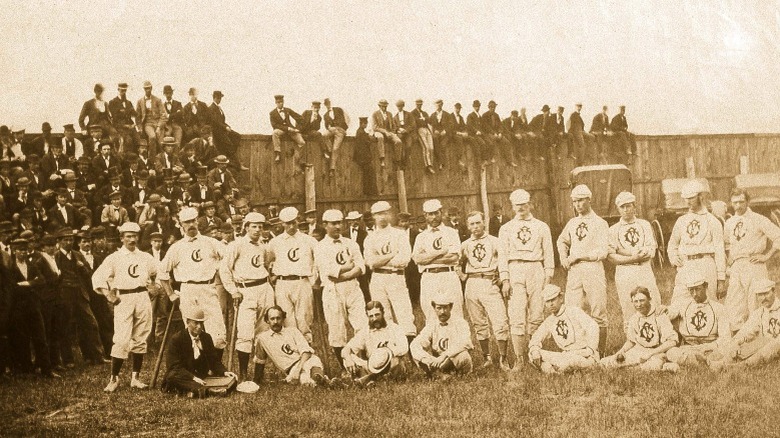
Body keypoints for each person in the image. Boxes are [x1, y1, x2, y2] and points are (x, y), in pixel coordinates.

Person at [92, 222, 158, 392]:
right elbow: (98, 278)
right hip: (124, 298)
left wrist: (154, 286)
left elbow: (157, 273)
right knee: (121, 339)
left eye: (135, 236)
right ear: (121, 238)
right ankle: (114, 378)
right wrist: (108, 294)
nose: (132, 239)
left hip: (142, 297)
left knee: (141, 337)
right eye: (128, 236)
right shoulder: (114, 258)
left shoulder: (145, 257)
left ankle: (135, 377)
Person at [497, 189, 554, 370]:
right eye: (517, 204)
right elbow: (502, 256)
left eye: (524, 203)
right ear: (512, 206)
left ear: (530, 204)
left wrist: (548, 278)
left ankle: (534, 355)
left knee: (536, 315)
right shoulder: (506, 228)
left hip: (536, 268)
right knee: (516, 315)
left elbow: (549, 254)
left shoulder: (541, 226)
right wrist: (505, 279)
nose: (521, 207)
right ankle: (520, 358)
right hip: (515, 269)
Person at [159, 207, 227, 358]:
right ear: (181, 225)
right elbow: (162, 272)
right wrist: (170, 294)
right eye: (186, 222)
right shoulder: (177, 247)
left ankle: (215, 368)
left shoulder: (211, 242)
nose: (191, 225)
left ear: (197, 221)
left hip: (209, 289)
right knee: (193, 334)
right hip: (188, 291)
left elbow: (229, 258)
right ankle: (198, 368)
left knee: (218, 334)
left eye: (193, 221)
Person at [219, 212, 274, 382]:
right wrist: (233, 290)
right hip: (246, 291)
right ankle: (243, 374)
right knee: (245, 333)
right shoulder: (236, 246)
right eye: (254, 226)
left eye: (260, 226)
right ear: (246, 227)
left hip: (264, 288)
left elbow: (265, 262)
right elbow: (224, 269)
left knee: (264, 332)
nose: (258, 230)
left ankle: (258, 375)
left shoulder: (263, 245)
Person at [556, 184, 610, 356]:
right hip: (575, 271)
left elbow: (603, 251)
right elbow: (561, 241)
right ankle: (577, 349)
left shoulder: (600, 223)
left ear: (589, 200)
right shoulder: (572, 223)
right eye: (574, 201)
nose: (578, 205)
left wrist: (579, 256)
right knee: (572, 309)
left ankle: (599, 352)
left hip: (593, 268)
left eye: (580, 200)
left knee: (598, 310)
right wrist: (564, 257)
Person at [313, 209, 368, 371]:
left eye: (340, 223)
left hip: (353, 287)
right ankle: (345, 367)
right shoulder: (320, 247)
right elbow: (329, 271)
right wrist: (350, 267)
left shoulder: (351, 243)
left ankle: (363, 363)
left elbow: (361, 265)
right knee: (337, 329)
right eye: (333, 223)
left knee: (362, 324)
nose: (338, 227)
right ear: (325, 225)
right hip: (332, 290)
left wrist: (348, 272)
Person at [723, 188, 780, 332]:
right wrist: (730, 262)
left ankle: (760, 339)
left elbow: (778, 236)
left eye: (742, 201)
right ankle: (738, 342)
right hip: (737, 267)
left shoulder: (758, 219)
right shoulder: (729, 223)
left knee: (755, 304)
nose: (738, 205)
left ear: (748, 201)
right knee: (734, 305)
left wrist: (767, 256)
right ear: (731, 203)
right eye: (735, 202)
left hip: (754, 265)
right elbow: (727, 244)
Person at [461, 211, 510, 370]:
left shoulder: (495, 242)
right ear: (468, 226)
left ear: (484, 223)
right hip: (472, 283)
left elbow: (503, 262)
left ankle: (503, 357)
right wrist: (462, 275)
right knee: (479, 323)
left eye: (478, 223)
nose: (475, 227)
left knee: (500, 321)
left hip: (489, 282)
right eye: (472, 224)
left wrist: (503, 279)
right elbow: (455, 262)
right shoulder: (465, 244)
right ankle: (487, 357)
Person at [607, 192, 663, 328]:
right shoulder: (613, 230)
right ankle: (632, 340)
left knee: (653, 301)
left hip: (644, 269)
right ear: (618, 209)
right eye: (622, 207)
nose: (625, 210)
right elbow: (611, 256)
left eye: (628, 206)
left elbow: (651, 249)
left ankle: (658, 334)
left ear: (634, 206)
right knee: (629, 307)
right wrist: (632, 257)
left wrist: (625, 251)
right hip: (624, 272)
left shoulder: (644, 225)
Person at [6, 237, 60, 378]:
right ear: (14, 251)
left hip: (34, 306)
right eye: (20, 250)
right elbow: (12, 288)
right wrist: (32, 283)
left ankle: (46, 369)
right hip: (18, 309)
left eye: (25, 250)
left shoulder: (32, 265)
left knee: (40, 338)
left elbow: (42, 281)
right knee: (22, 339)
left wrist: (27, 284)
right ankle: (27, 369)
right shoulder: (10, 267)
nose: (23, 253)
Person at [362, 201, 416, 342]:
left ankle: (411, 354)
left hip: (396, 277)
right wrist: (392, 254)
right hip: (378, 278)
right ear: (373, 215)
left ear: (390, 213)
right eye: (379, 213)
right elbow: (371, 262)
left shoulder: (399, 234)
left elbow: (403, 260)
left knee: (404, 315)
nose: (383, 216)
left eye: (385, 212)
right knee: (383, 316)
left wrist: (381, 260)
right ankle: (390, 351)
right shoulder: (370, 238)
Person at [667, 180, 726, 307]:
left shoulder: (713, 221)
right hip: (686, 265)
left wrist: (721, 280)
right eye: (686, 198)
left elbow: (720, 251)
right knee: (679, 303)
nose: (688, 202)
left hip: (706, 264)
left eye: (692, 198)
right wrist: (673, 257)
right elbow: (672, 245)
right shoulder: (681, 221)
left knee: (709, 304)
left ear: (701, 197)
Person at [161, 305, 237, 397]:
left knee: (231, 380)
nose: (199, 326)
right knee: (172, 377)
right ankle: (206, 391)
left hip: (201, 376)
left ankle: (193, 392)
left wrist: (224, 372)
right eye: (196, 323)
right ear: (188, 322)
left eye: (201, 323)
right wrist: (193, 378)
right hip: (184, 376)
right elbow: (174, 367)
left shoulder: (206, 338)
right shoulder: (177, 339)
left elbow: (213, 361)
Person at [56, 228, 106, 366]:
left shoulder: (77, 255)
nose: (68, 242)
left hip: (80, 294)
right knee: (65, 327)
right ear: (59, 242)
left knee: (91, 323)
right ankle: (68, 360)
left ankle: (98, 356)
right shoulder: (56, 256)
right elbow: (54, 278)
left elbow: (89, 273)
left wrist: (82, 267)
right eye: (65, 239)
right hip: (64, 295)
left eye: (70, 239)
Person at [254, 306, 337, 387]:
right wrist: (256, 382)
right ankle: (328, 383)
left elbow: (306, 353)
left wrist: (298, 370)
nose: (275, 321)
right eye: (272, 319)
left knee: (313, 369)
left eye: (278, 318)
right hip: (291, 369)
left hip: (305, 360)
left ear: (283, 319)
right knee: (306, 382)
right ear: (267, 320)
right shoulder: (262, 338)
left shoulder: (292, 331)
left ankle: (321, 379)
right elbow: (260, 361)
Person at [268, 206, 317, 343]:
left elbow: (318, 260)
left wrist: (315, 280)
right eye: (287, 223)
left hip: (302, 282)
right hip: (283, 283)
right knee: (287, 318)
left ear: (298, 220)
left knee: (304, 318)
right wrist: (272, 277)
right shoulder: (275, 242)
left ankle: (307, 350)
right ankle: (292, 349)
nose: (291, 226)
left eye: (293, 222)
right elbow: (267, 261)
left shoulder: (309, 240)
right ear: (282, 223)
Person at [600, 287, 678, 371]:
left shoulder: (660, 315)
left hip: (657, 352)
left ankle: (664, 366)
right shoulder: (634, 318)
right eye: (635, 301)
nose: (639, 305)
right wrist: (620, 352)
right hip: (638, 351)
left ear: (649, 299)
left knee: (652, 366)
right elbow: (631, 341)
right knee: (604, 362)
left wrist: (651, 353)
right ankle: (633, 368)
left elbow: (672, 341)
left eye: (642, 300)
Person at [412, 199, 463, 324]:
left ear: (441, 212)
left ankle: (458, 343)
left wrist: (428, 258)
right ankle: (436, 343)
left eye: (436, 213)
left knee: (455, 312)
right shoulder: (421, 237)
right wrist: (440, 252)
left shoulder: (451, 232)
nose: (433, 217)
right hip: (429, 277)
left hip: (448, 275)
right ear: (425, 215)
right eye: (430, 214)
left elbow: (453, 257)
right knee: (431, 315)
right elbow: (418, 259)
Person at [709, 279, 780, 370]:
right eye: (760, 295)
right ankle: (722, 361)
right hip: (766, 346)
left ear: (774, 291)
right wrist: (738, 342)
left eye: (766, 293)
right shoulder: (759, 313)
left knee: (775, 341)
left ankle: (743, 366)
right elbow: (745, 331)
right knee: (750, 342)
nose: (763, 298)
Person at [665, 270, 731, 368]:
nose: (695, 294)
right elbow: (669, 313)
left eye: (698, 289)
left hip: (710, 348)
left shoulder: (718, 308)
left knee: (726, 351)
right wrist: (663, 310)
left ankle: (689, 364)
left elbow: (725, 338)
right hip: (688, 348)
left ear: (706, 287)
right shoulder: (682, 305)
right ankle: (704, 363)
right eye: (691, 290)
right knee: (671, 352)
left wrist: (707, 347)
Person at [528, 284, 600, 374]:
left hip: (584, 355)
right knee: (532, 354)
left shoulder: (574, 311)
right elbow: (536, 337)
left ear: (561, 298)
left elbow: (593, 326)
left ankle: (552, 370)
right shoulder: (550, 320)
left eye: (553, 300)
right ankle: (559, 370)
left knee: (571, 361)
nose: (551, 304)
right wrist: (535, 351)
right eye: (547, 301)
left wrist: (590, 349)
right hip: (566, 355)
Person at [342, 301, 409, 387]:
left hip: (391, 365)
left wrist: (389, 351)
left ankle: (365, 381)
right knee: (348, 357)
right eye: (371, 316)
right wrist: (348, 359)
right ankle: (373, 380)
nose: (374, 319)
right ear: (367, 316)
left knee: (396, 361)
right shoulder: (365, 331)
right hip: (372, 367)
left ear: (383, 313)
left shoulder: (394, 328)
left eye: (377, 315)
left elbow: (405, 347)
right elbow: (346, 349)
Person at [410, 293, 474, 379]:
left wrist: (444, 356)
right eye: (439, 308)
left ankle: (447, 374)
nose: (442, 312)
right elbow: (416, 343)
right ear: (434, 308)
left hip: (453, 359)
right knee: (415, 349)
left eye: (445, 308)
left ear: (450, 307)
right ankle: (438, 372)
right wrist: (429, 360)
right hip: (437, 362)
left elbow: (466, 343)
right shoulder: (432, 324)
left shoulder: (460, 322)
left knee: (463, 355)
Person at [269, 95, 306, 165]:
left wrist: (298, 129)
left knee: (302, 142)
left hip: (291, 130)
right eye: (279, 102)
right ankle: (277, 154)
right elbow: (274, 125)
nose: (281, 104)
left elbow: (299, 118)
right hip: (281, 129)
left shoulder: (287, 110)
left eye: (282, 102)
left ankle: (301, 160)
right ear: (276, 103)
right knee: (274, 133)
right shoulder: (272, 113)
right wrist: (287, 129)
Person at [135, 81, 166, 157]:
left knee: (161, 142)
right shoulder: (140, 101)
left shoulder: (157, 100)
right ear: (144, 89)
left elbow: (163, 114)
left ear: (151, 88)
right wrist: (139, 128)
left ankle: (162, 161)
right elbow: (137, 116)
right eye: (146, 89)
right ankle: (152, 160)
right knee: (152, 137)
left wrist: (159, 127)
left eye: (149, 88)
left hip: (158, 123)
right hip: (147, 124)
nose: (147, 90)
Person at [109, 83, 139, 154]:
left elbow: (135, 114)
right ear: (118, 90)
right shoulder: (113, 102)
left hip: (130, 127)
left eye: (125, 90)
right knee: (128, 140)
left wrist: (135, 124)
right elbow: (114, 119)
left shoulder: (128, 103)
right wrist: (125, 126)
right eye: (122, 90)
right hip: (120, 128)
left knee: (138, 139)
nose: (123, 92)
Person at [370, 99, 401, 169]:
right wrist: (385, 132)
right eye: (382, 106)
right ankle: (382, 158)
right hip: (378, 131)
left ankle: (397, 160)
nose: (384, 108)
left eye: (385, 106)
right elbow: (375, 127)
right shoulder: (375, 114)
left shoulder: (389, 114)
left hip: (389, 132)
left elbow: (394, 125)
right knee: (380, 138)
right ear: (379, 106)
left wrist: (392, 133)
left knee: (398, 142)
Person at [322, 98, 349, 175]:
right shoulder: (325, 115)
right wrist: (329, 127)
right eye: (326, 104)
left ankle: (332, 169)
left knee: (336, 148)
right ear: (325, 105)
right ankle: (329, 150)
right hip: (332, 130)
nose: (328, 105)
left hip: (340, 130)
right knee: (324, 135)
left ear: (330, 103)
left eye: (328, 103)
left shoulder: (338, 109)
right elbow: (326, 126)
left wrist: (344, 129)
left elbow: (347, 119)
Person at [412, 99, 435, 173]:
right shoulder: (413, 113)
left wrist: (423, 119)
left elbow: (429, 120)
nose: (419, 106)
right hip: (420, 130)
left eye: (420, 104)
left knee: (431, 148)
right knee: (426, 147)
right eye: (418, 104)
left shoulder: (424, 113)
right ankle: (428, 165)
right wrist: (423, 120)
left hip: (427, 129)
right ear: (415, 104)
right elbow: (415, 122)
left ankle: (431, 164)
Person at [393, 100, 416, 171]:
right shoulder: (395, 117)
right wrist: (398, 130)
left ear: (403, 106)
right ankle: (400, 163)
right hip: (400, 133)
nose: (399, 108)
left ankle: (405, 162)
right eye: (398, 106)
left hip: (407, 133)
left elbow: (413, 125)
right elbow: (394, 127)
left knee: (408, 146)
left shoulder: (408, 114)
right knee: (400, 146)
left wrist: (406, 130)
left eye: (401, 106)